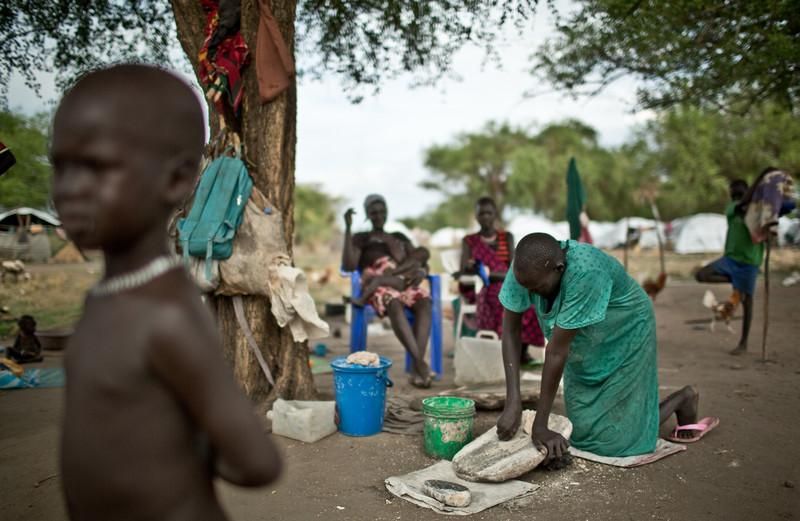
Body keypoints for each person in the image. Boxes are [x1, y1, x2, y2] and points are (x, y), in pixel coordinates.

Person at [52, 64, 281, 521]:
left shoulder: (167, 315)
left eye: (97, 167)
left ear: (176, 181)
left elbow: (258, 461)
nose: (70, 189)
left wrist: (185, 447)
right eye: (61, 167)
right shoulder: (107, 296)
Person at [497, 233, 718, 460]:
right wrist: (513, 402)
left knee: (614, 443)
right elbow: (511, 331)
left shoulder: (586, 272)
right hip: (586, 333)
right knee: (582, 433)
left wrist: (540, 425)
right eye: (527, 287)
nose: (531, 294)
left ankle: (682, 399)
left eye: (537, 288)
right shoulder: (525, 269)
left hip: (626, 326)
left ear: (559, 268)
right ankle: (645, 417)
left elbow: (555, 351)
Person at [341, 194, 434, 388]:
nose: (378, 216)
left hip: (403, 280)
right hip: (378, 284)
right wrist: (348, 228)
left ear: (387, 212)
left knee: (424, 300)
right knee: (394, 301)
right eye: (373, 212)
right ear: (367, 214)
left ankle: (417, 366)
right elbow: (349, 265)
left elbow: (420, 259)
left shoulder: (398, 237)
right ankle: (420, 364)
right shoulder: (362, 238)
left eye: (382, 211)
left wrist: (422, 271)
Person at [458, 197, 544, 363]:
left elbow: (514, 267)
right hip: (484, 288)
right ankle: (504, 352)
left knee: (532, 304)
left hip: (510, 283)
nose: (485, 217)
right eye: (481, 213)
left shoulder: (506, 237)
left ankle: (522, 351)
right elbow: (464, 269)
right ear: (476, 216)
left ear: (495, 214)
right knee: (503, 303)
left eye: (489, 213)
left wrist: (490, 273)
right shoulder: (469, 241)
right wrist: (476, 268)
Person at [694, 179, 761, 355]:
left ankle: (743, 343)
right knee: (701, 275)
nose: (733, 192)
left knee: (747, 302)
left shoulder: (758, 210)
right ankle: (736, 281)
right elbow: (741, 208)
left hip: (749, 262)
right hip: (730, 259)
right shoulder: (733, 208)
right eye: (733, 190)